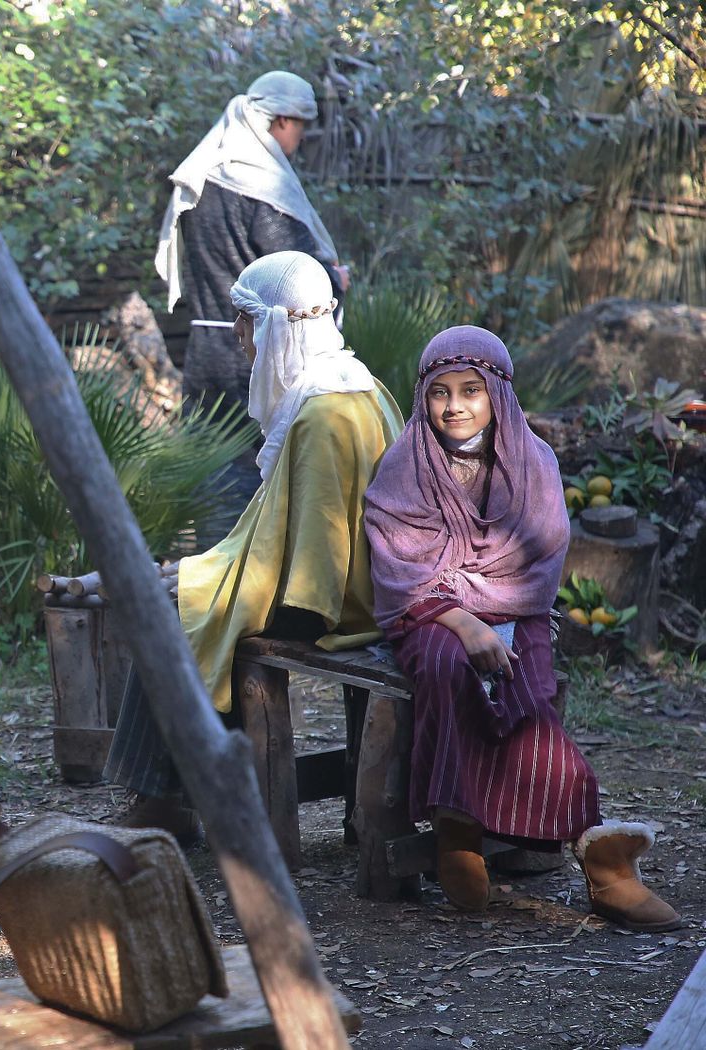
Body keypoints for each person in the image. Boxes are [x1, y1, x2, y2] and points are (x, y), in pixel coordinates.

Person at [363, 326, 681, 930]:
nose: (453, 406)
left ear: (499, 396)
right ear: (422, 397)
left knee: (526, 692)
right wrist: (463, 621)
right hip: (425, 610)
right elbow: (399, 569)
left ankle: (598, 858)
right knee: (442, 664)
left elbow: (538, 562)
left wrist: (492, 616)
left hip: (516, 607)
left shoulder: (533, 462)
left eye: (470, 391)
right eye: (439, 393)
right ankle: (457, 827)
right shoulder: (405, 464)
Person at [103, 251, 402, 834]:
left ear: (277, 327)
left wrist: (206, 584)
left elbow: (315, 567)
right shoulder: (356, 383)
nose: (239, 334)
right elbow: (289, 527)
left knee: (176, 610)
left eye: (248, 319)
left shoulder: (323, 414)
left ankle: (169, 798)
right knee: (190, 591)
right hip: (360, 584)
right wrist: (207, 571)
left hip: (339, 602)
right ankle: (199, 791)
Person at [154, 70, 351, 540]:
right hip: (259, 352)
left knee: (213, 477)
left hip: (205, 349)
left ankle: (212, 586)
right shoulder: (263, 189)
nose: (299, 139)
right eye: (299, 127)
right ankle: (256, 604)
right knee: (261, 481)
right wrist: (336, 278)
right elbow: (295, 278)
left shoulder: (207, 174)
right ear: (280, 120)